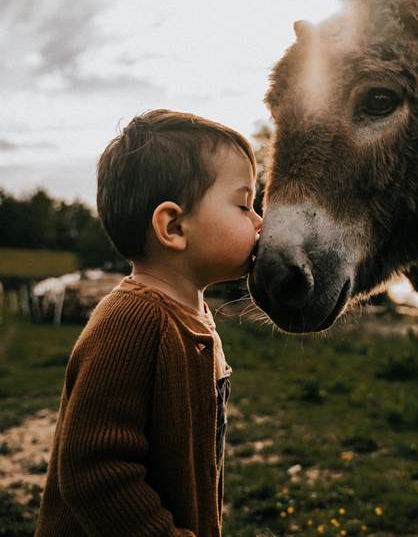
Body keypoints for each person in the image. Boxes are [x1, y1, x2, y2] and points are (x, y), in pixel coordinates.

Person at [35, 109, 262, 537]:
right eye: (243, 204)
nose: (259, 222)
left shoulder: (192, 313)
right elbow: (95, 469)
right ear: (173, 226)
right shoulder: (132, 319)